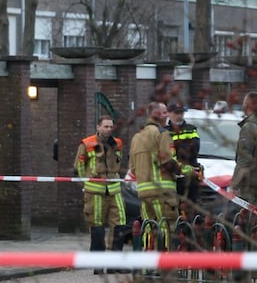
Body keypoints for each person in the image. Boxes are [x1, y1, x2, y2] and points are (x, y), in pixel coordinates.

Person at [74, 115, 129, 273]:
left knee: (120, 224)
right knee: (97, 226)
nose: (109, 129)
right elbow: (79, 166)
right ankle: (98, 263)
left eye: (111, 127)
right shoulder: (87, 143)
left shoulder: (117, 143)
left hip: (114, 189)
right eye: (105, 126)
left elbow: (118, 163)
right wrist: (87, 182)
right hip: (95, 191)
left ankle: (114, 263)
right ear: (98, 127)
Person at [129, 102, 179, 247]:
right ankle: (166, 260)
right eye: (164, 112)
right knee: (167, 228)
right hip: (162, 192)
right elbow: (168, 162)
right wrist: (186, 170)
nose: (167, 115)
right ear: (157, 115)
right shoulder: (162, 134)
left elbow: (132, 168)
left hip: (144, 192)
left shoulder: (136, 137)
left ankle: (148, 259)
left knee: (149, 228)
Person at [165, 101, 202, 213]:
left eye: (181, 113)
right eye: (176, 113)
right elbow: (166, 152)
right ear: (169, 113)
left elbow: (194, 149)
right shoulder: (165, 131)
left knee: (192, 206)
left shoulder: (191, 129)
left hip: (191, 175)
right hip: (173, 176)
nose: (179, 116)